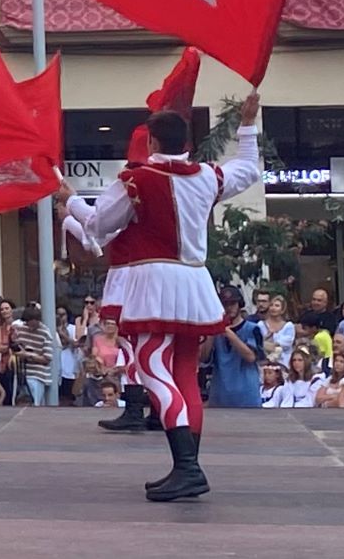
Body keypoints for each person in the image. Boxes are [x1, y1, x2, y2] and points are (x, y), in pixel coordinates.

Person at [60, 93, 264, 503]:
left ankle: (188, 468)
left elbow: (99, 226)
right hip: (194, 281)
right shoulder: (207, 176)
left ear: (152, 141)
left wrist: (71, 200)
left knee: (154, 371)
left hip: (154, 285)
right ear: (184, 141)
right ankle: (187, 466)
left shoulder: (136, 180)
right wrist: (247, 125)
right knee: (185, 374)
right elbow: (247, 169)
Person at [204, 287, 263, 409]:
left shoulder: (252, 328)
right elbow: (203, 357)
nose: (229, 308)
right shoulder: (215, 333)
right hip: (219, 396)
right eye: (225, 304)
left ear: (239, 304)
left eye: (233, 303)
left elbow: (251, 357)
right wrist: (211, 331)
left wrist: (227, 332)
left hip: (247, 397)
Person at [12, 306, 57, 406]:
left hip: (37, 375)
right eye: (28, 324)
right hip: (21, 373)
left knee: (34, 404)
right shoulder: (20, 329)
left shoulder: (45, 333)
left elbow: (47, 358)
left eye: (33, 325)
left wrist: (28, 355)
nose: (31, 328)